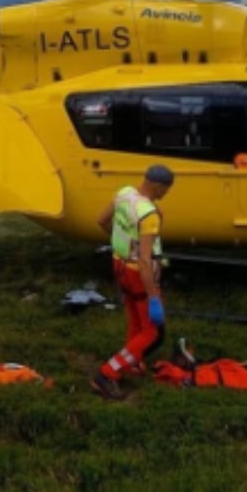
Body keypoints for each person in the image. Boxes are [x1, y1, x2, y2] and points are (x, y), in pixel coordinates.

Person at [91, 164, 174, 400]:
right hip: (139, 274)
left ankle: (132, 362)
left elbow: (101, 220)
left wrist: (122, 240)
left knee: (136, 322)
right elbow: (146, 261)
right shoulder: (148, 216)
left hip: (119, 265)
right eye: (166, 190)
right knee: (153, 333)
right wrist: (154, 298)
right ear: (157, 186)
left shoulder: (125, 194)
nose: (166, 194)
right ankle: (107, 374)